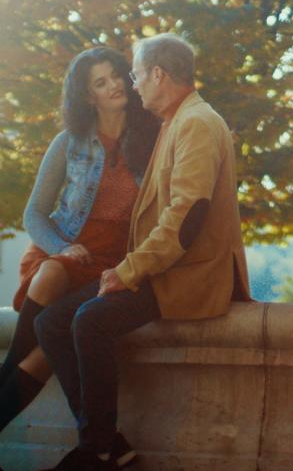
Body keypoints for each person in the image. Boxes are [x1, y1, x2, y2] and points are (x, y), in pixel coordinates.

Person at [34, 32, 252, 471]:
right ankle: (109, 442)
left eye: (134, 75)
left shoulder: (196, 123)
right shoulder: (176, 120)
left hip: (187, 274)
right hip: (166, 268)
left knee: (90, 321)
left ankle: (95, 451)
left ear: (158, 74)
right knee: (51, 322)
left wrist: (128, 270)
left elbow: (185, 220)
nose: (131, 86)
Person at [0, 47, 159, 465]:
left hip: (108, 264)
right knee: (52, 271)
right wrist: (60, 246)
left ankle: (110, 443)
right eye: (100, 83)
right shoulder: (68, 142)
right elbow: (34, 213)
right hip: (62, 249)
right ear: (88, 96)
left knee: (42, 355)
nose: (115, 86)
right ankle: (109, 443)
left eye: (116, 76)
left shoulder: (149, 141)